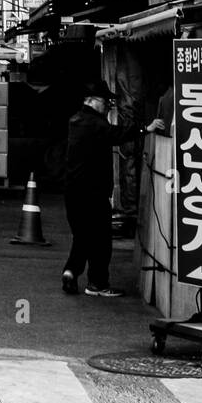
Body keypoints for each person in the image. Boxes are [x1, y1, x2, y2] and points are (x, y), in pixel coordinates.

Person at [62, 80, 148, 299]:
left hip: (73, 191)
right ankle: (97, 283)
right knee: (100, 239)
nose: (109, 106)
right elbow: (118, 134)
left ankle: (71, 272)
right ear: (91, 101)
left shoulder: (75, 121)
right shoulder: (94, 124)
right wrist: (144, 128)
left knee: (82, 235)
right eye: (105, 101)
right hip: (92, 192)